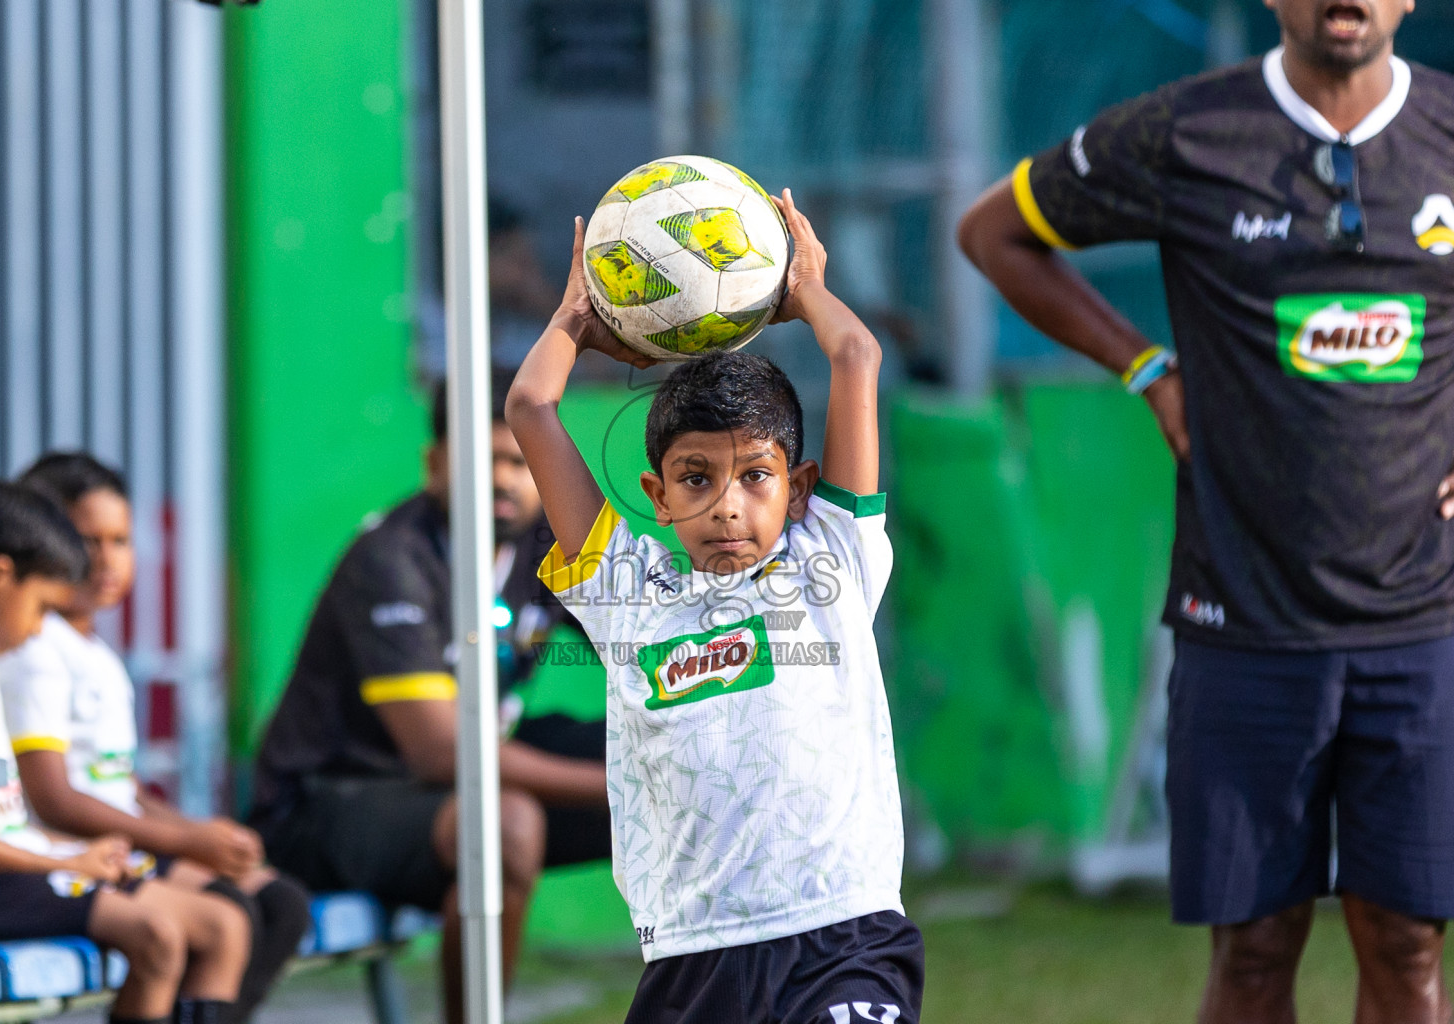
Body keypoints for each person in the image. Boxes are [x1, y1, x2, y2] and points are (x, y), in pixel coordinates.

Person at [958, 1, 1454, 1020]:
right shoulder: (1185, 130)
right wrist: (1146, 368)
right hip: (1242, 621)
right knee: (1256, 950)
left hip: (1423, 624)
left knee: (1406, 945)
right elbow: (991, 233)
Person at [505, 194, 923, 1023]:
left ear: (798, 488)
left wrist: (804, 289)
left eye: (755, 476)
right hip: (692, 957)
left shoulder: (832, 559)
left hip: (842, 935)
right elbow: (529, 409)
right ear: (657, 495)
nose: (728, 504)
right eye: (696, 478)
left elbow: (857, 353)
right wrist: (576, 321)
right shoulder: (625, 594)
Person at [248, 369, 611, 1024]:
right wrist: (625, 785)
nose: (502, 480)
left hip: (456, 785)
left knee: (688, 766)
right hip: (331, 802)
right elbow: (442, 754)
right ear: (435, 463)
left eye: (520, 462)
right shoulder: (392, 559)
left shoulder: (543, 546)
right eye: (483, 459)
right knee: (505, 825)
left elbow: (640, 651)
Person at [0, 453, 311, 1024]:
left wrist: (199, 832)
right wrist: (185, 840)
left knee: (280, 904)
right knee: (228, 917)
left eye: (120, 540)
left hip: (123, 839)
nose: (106, 559)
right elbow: (54, 799)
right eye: (87, 540)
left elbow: (121, 783)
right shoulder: (35, 650)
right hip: (78, 848)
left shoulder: (95, 652)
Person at [0, 481, 249, 1024]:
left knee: (221, 924)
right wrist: (65, 861)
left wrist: (83, 852)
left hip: (13, 872)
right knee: (158, 936)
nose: (39, 631)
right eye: (41, 609)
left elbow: (3, 820)